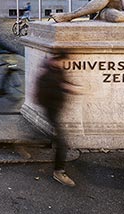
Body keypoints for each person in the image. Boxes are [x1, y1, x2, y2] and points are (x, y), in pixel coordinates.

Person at [34, 51, 79, 187]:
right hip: (51, 110)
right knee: (62, 142)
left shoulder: (56, 70)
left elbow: (64, 82)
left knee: (55, 136)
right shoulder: (48, 74)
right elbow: (43, 94)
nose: (64, 64)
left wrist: (68, 87)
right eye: (62, 61)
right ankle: (59, 172)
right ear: (57, 60)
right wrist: (63, 87)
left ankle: (30, 143)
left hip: (55, 109)